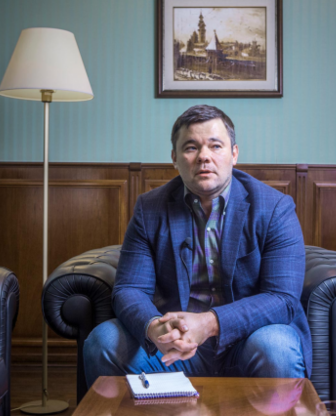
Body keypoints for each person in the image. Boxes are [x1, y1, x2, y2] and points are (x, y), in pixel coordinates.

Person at [83, 105, 311, 386]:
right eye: (191, 147)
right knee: (103, 341)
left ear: (234, 154)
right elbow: (130, 289)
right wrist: (155, 328)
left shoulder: (275, 207)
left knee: (276, 347)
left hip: (248, 340)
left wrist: (209, 323)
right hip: (174, 346)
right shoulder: (149, 209)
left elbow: (282, 298)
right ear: (174, 158)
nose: (204, 156)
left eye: (215, 146)